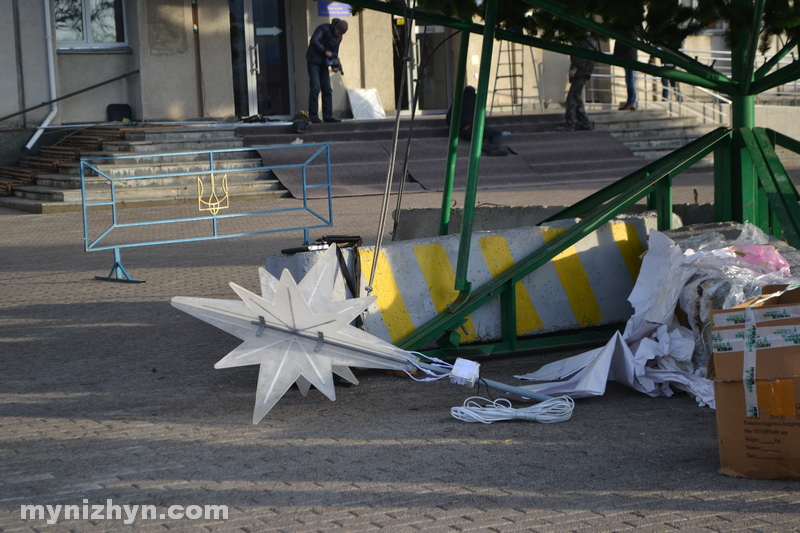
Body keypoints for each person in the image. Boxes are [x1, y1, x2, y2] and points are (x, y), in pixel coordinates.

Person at [446, 85, 509, 156]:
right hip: (473, 127)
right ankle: (496, 149)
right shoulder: (475, 98)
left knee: (484, 136)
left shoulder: (457, 101)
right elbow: (481, 113)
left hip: (462, 132)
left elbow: (448, 118)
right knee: (496, 134)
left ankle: (485, 145)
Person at [306, 18, 348, 124]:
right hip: (314, 61)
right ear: (335, 28)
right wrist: (325, 52)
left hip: (324, 64)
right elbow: (314, 41)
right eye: (339, 32)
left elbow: (335, 52)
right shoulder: (323, 29)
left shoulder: (339, 38)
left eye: (342, 34)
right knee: (315, 88)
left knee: (327, 90)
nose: (339, 35)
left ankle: (328, 116)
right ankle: (313, 116)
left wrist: (334, 64)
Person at [558, 33, 598, 131]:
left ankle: (570, 124)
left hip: (581, 72)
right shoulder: (585, 41)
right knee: (576, 98)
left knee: (571, 98)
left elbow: (583, 57)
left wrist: (575, 68)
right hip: (581, 72)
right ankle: (585, 123)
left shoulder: (587, 42)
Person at [613, 37, 638, 110]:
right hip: (628, 57)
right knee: (629, 79)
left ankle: (631, 102)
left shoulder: (628, 31)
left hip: (628, 58)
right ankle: (631, 102)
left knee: (630, 79)